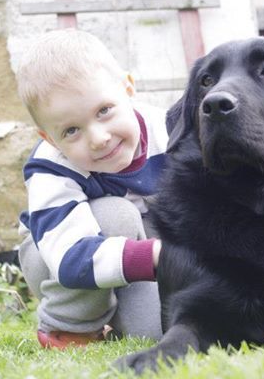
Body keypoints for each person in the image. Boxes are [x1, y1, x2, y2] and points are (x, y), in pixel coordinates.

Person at [15, 29, 167, 349]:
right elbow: (70, 257)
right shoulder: (51, 168)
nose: (98, 138)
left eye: (104, 111)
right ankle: (70, 326)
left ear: (128, 89)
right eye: (71, 130)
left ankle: (114, 319)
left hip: (141, 252)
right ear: (50, 139)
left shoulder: (169, 133)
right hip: (58, 258)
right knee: (116, 213)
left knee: (152, 336)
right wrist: (159, 255)